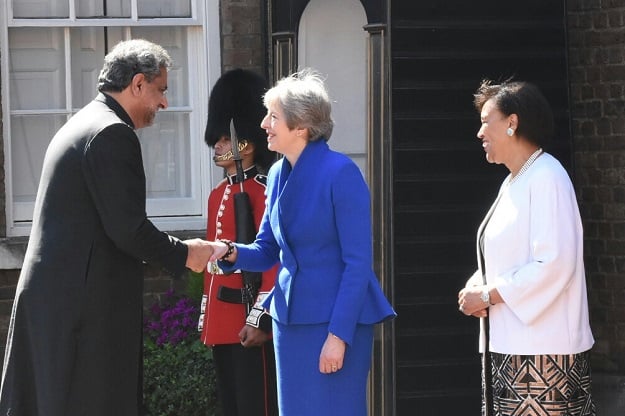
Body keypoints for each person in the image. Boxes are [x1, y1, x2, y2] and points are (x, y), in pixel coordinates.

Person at [0, 39, 215, 416]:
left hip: (62, 305)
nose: (164, 102)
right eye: (160, 89)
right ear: (137, 84)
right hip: (82, 315)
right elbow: (128, 229)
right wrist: (186, 255)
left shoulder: (86, 122)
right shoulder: (112, 133)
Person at [206, 68, 396, 416]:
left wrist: (339, 336)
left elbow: (358, 265)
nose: (264, 124)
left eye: (273, 117)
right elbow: (266, 249)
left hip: (334, 325)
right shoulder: (278, 173)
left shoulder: (341, 173)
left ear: (302, 127)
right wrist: (228, 251)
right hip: (289, 323)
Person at [457, 79, 595, 416]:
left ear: (512, 123)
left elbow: (555, 263)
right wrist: (477, 285)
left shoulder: (548, 176)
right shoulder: (514, 180)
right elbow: (507, 255)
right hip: (509, 346)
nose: (480, 133)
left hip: (543, 353)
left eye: (486, 121)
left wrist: (489, 295)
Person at [198, 68, 278, 416]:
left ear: (245, 142)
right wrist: (208, 315)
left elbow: (272, 261)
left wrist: (260, 319)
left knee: (256, 406)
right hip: (223, 319)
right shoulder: (218, 194)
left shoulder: (261, 191)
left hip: (248, 319)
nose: (217, 144)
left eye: (224, 138)